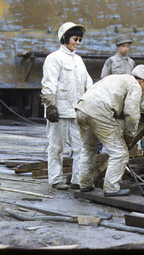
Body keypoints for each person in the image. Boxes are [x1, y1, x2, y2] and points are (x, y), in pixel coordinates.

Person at [76, 65, 144, 197]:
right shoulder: (135, 85)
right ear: (141, 81)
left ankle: (85, 184)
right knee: (120, 153)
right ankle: (111, 188)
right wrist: (129, 137)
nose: (143, 90)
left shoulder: (118, 78)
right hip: (98, 111)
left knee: (88, 149)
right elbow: (131, 114)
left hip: (81, 108)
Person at [41, 22, 93, 190]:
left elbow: (88, 84)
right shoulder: (54, 58)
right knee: (56, 147)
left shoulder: (79, 60)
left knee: (80, 148)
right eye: (75, 39)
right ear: (65, 38)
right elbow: (49, 83)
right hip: (59, 112)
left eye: (80, 40)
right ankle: (55, 179)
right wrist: (50, 106)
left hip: (76, 112)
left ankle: (77, 180)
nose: (77, 42)